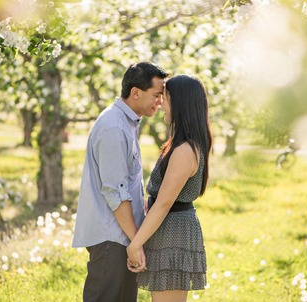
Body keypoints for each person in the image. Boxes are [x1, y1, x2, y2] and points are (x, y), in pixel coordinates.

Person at [72, 62, 169, 302]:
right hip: (111, 238)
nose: (161, 101)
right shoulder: (114, 127)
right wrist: (135, 241)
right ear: (136, 92)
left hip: (121, 236)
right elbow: (115, 193)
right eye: (157, 95)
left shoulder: (128, 122)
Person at [127, 74, 212, 302]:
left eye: (165, 98)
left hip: (174, 233)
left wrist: (135, 245)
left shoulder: (185, 150)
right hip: (168, 230)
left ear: (180, 103)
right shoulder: (180, 144)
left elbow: (164, 203)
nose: (160, 103)